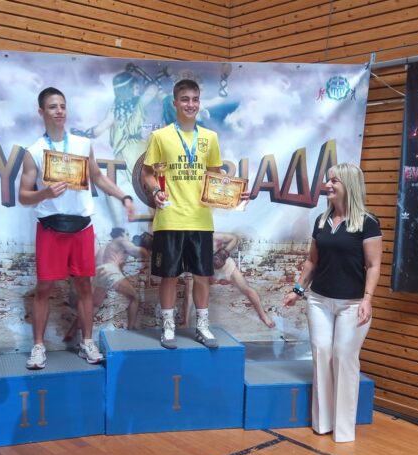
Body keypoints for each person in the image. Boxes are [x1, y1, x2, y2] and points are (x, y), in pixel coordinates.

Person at [19, 87, 135, 370]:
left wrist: (124, 196)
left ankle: (87, 342)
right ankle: (38, 347)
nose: (59, 111)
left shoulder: (82, 145)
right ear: (41, 112)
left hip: (81, 227)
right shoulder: (34, 151)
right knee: (44, 287)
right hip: (51, 228)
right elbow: (23, 196)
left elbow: (98, 178)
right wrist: (44, 193)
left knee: (84, 285)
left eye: (62, 105)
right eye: (52, 107)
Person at [141, 79, 248, 350]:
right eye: (185, 99)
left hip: (201, 219)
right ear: (175, 103)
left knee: (202, 275)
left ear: (199, 103)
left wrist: (233, 196)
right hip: (169, 218)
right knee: (169, 276)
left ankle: (202, 326)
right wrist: (156, 191)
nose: (190, 104)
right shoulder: (160, 136)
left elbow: (215, 177)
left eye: (195, 99)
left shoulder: (210, 138)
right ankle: (168, 327)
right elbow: (147, 173)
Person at [284, 163, 382, 443]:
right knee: (322, 354)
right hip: (318, 301)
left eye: (334, 181)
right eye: (328, 180)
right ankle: (323, 423)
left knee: (343, 357)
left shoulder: (367, 222)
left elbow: (373, 266)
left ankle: (343, 430)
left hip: (352, 304)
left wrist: (367, 300)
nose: (327, 185)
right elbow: (311, 261)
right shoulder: (321, 220)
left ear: (349, 185)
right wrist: (298, 290)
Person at [64, 227, 149, 341]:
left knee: (94, 306)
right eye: (127, 234)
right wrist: (145, 249)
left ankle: (72, 332)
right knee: (134, 297)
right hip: (110, 270)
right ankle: (131, 328)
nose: (128, 237)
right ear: (122, 233)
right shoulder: (121, 240)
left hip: (99, 272)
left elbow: (99, 262)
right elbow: (138, 252)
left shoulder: (107, 246)